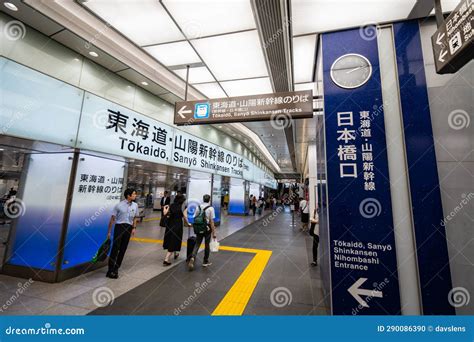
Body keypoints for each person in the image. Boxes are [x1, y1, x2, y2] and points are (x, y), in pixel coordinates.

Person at [106, 188, 139, 279]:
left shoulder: (135, 205)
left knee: (123, 249)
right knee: (115, 248)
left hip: (128, 228)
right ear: (128, 196)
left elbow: (135, 217)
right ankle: (110, 269)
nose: (135, 195)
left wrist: (134, 228)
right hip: (119, 227)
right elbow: (112, 219)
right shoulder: (119, 205)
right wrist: (109, 232)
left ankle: (116, 268)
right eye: (134, 194)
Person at [188, 194, 216, 271]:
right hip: (207, 229)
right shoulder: (211, 208)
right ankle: (205, 261)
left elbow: (194, 217)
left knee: (197, 243)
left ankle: (192, 257)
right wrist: (214, 233)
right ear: (209, 200)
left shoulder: (198, 207)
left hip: (199, 227)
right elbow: (212, 221)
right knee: (207, 245)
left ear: (203, 199)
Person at [162, 194, 189, 266]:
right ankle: (166, 259)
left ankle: (176, 253)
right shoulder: (183, 207)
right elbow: (185, 216)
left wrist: (164, 208)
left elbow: (165, 213)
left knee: (171, 239)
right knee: (175, 240)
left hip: (170, 225)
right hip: (177, 226)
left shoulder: (171, 205)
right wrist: (189, 223)